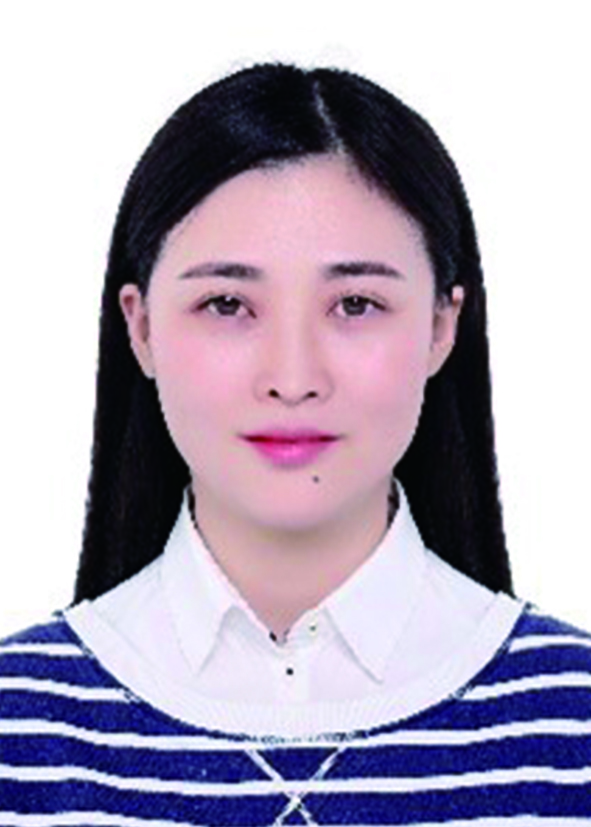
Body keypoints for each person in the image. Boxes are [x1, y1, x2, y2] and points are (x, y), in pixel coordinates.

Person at [1, 62, 590, 823]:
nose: (292, 378)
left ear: (442, 326)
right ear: (139, 327)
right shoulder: (18, 728)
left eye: (356, 303)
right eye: (226, 304)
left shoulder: (572, 726)